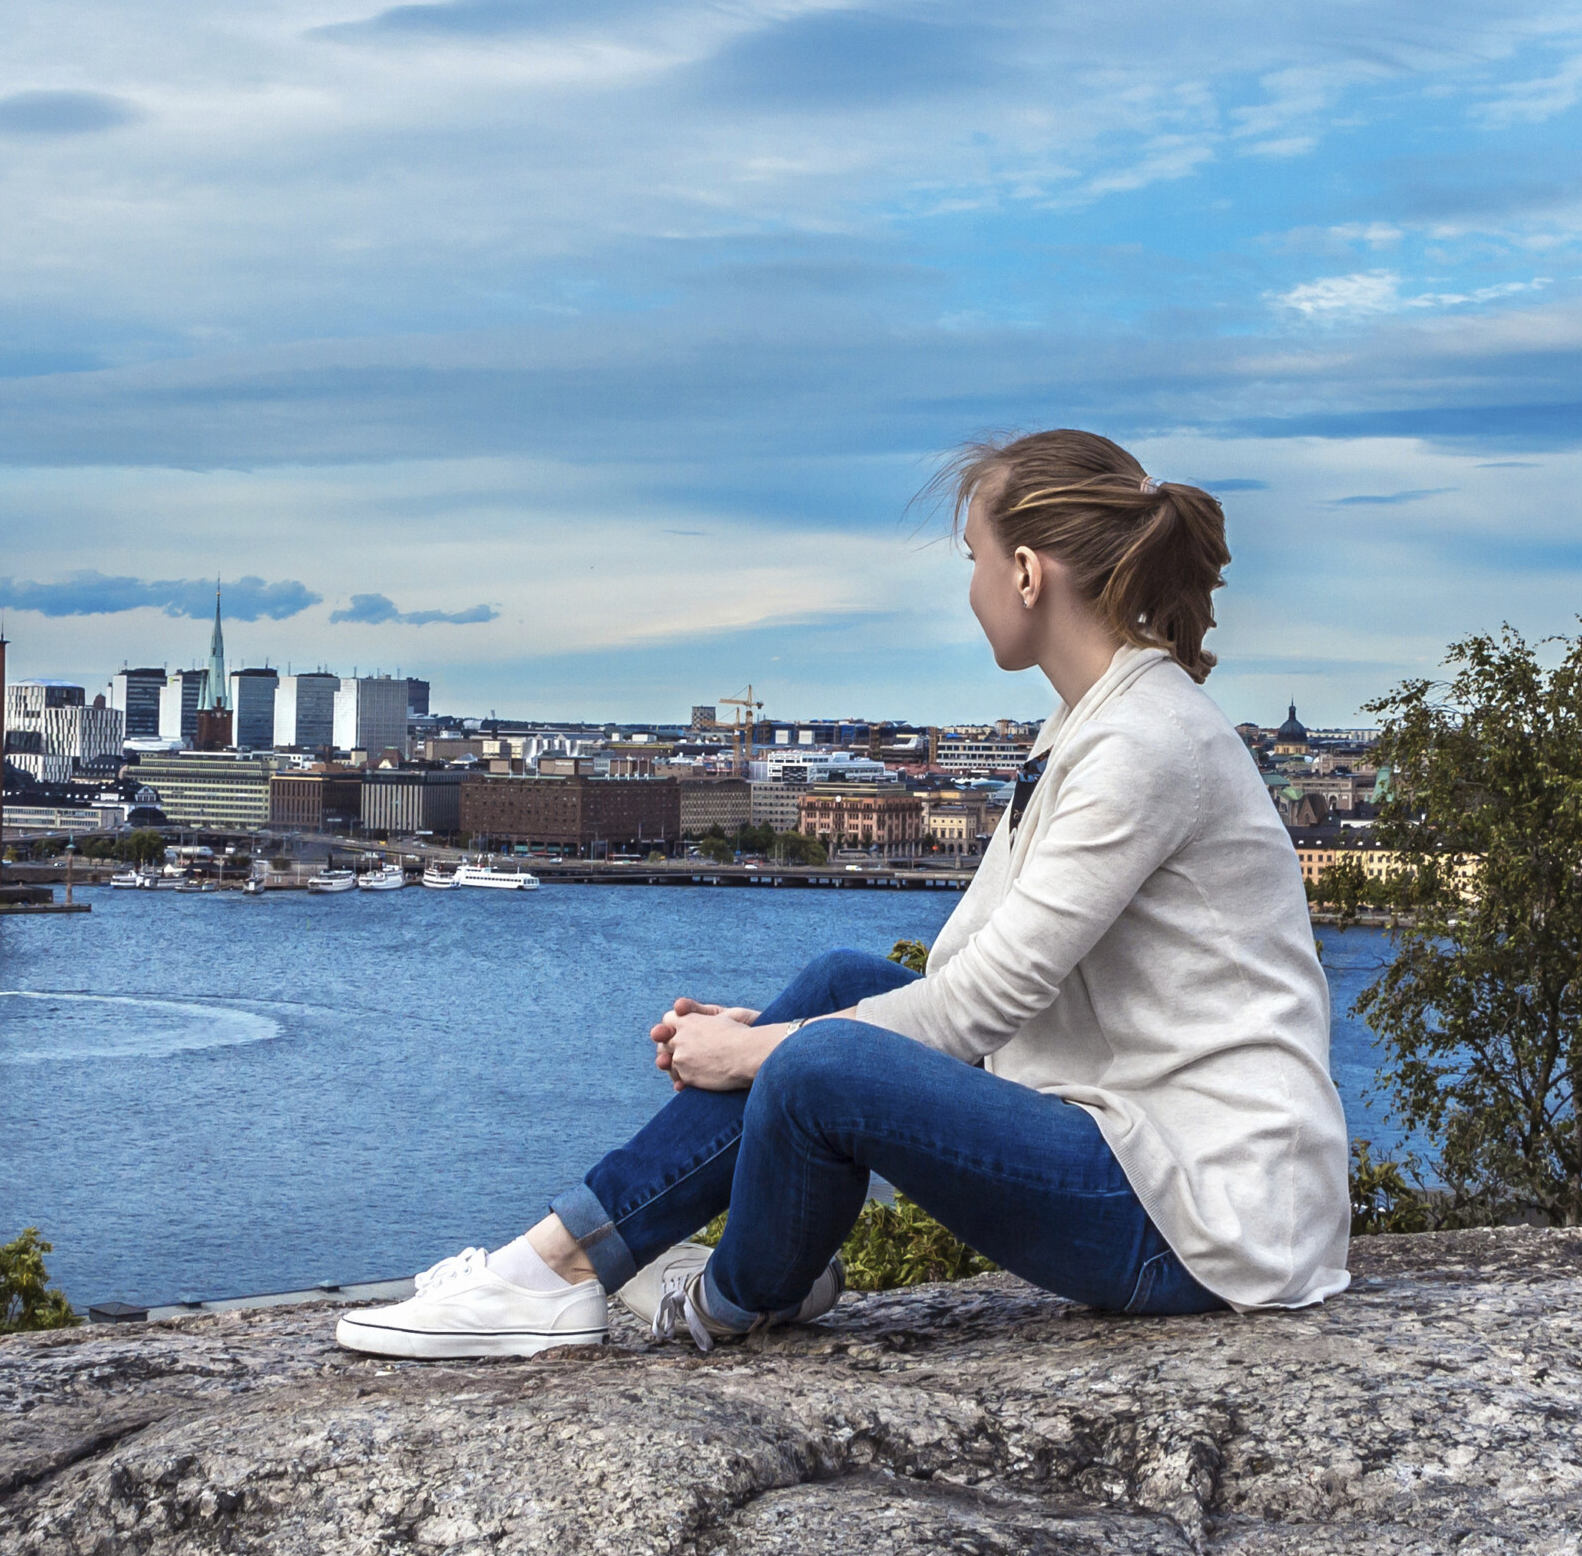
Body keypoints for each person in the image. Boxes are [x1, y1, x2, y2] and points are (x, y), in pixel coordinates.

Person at [336, 428, 1351, 1359]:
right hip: (1159, 1160)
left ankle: (704, 1290)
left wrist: (759, 1053)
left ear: (1029, 574)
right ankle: (571, 1256)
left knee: (822, 1059)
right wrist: (773, 1036)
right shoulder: (1097, 720)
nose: (972, 587)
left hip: (1206, 1221)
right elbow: (965, 972)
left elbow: (968, 1012)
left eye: (974, 560)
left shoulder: (1142, 743)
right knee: (833, 986)